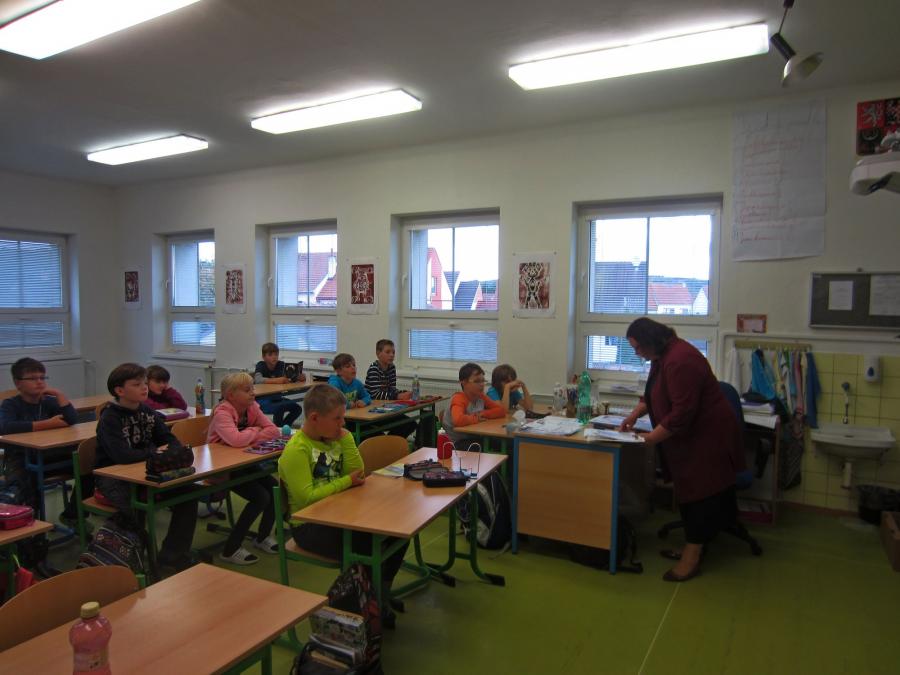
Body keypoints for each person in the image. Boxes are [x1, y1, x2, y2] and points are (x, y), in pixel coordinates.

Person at [619, 318, 744, 583]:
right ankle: (693, 544)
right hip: (690, 438)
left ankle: (692, 556)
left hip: (708, 439)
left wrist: (650, 439)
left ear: (651, 340)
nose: (637, 353)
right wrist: (633, 416)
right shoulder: (662, 356)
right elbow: (653, 394)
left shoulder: (680, 360)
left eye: (638, 347)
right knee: (688, 492)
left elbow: (682, 413)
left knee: (699, 493)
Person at [278, 384, 409, 626]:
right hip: (309, 526)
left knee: (397, 533)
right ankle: (366, 602)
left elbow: (358, 473)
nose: (343, 423)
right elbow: (307, 498)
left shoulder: (335, 438)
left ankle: (378, 595)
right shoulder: (297, 450)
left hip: (340, 514)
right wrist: (345, 482)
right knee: (368, 543)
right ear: (314, 418)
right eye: (337, 418)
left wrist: (347, 439)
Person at [95, 363, 199, 572]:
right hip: (114, 478)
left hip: (147, 470)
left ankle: (171, 556)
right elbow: (122, 456)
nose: (144, 387)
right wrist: (154, 452)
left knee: (189, 493)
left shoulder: (147, 412)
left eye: (144, 383)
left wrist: (160, 452)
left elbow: (170, 440)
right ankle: (133, 563)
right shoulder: (110, 418)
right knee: (134, 508)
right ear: (119, 390)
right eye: (136, 384)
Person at [207, 372, 281, 564]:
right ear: (231, 395)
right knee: (260, 497)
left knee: (275, 489)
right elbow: (235, 440)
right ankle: (230, 549)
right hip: (222, 469)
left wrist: (249, 434)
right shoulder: (223, 412)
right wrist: (255, 430)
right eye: (247, 390)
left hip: (244, 462)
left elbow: (273, 430)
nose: (253, 393)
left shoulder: (252, 407)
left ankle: (262, 537)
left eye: (252, 389)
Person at [0, 357, 82, 526]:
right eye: (32, 378)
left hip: (50, 457)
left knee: (87, 467)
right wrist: (47, 424)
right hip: (21, 458)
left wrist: (59, 395)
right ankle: (29, 526)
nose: (39, 382)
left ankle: (72, 514)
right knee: (23, 486)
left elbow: (72, 419)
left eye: (42, 377)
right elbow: (5, 427)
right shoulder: (11, 404)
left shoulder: (49, 402)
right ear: (18, 383)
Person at [442, 362, 505, 449]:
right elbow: (458, 420)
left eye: (483, 381)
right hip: (456, 442)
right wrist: (476, 418)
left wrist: (483, 414)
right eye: (477, 381)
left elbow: (501, 411)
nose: (482, 384)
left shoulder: (480, 396)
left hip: (473, 436)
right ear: (464, 383)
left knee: (505, 443)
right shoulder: (459, 398)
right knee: (486, 447)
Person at [364, 339, 418, 441]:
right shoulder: (374, 369)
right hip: (373, 411)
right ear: (378, 354)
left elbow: (392, 389)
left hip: (386, 408)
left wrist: (404, 393)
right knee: (405, 424)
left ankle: (389, 443)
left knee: (410, 423)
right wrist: (397, 396)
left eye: (393, 352)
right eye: (388, 352)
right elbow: (375, 394)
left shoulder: (392, 368)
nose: (392, 355)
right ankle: (388, 444)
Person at [254, 342, 304, 427]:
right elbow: (258, 380)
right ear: (264, 357)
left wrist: (299, 377)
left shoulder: (281, 364)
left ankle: (283, 427)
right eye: (270, 355)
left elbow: (289, 378)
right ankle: (278, 428)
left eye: (276, 354)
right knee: (280, 408)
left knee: (297, 409)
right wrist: (277, 380)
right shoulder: (261, 365)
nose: (274, 357)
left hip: (277, 398)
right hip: (262, 400)